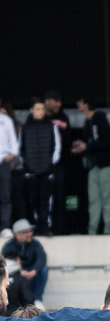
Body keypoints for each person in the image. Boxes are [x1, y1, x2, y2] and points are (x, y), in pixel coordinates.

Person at [72, 97, 110, 236]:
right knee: (93, 199)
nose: (77, 104)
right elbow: (90, 142)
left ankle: (108, 230)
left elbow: (107, 140)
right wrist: (80, 145)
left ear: (86, 104)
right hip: (93, 166)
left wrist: (87, 146)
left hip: (106, 164)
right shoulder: (87, 121)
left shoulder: (100, 118)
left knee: (107, 199)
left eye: (79, 101)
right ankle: (92, 231)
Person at [19, 97, 60, 234]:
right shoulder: (24, 128)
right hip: (31, 171)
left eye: (42, 109)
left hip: (46, 171)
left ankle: (45, 226)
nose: (40, 111)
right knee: (33, 200)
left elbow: (56, 148)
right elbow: (21, 149)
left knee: (45, 200)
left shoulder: (51, 126)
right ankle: (36, 226)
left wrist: (50, 164)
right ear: (31, 110)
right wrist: (27, 165)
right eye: (37, 109)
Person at [43, 91, 72, 237]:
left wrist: (58, 139)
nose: (59, 104)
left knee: (59, 197)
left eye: (60, 101)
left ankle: (59, 230)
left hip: (59, 165)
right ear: (47, 101)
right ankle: (43, 227)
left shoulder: (63, 117)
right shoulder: (39, 116)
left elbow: (67, 140)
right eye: (56, 101)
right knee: (42, 197)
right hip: (41, 165)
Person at [2, 219, 48, 306]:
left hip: (32, 274)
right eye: (26, 232)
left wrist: (34, 270)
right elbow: (6, 263)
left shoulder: (35, 244)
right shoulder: (9, 246)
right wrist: (20, 271)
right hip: (17, 276)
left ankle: (38, 300)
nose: (30, 234)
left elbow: (42, 258)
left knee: (44, 270)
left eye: (30, 231)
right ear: (17, 235)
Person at [0, 101, 17, 236]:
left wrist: (12, 155)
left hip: (3, 162)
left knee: (5, 195)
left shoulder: (6, 120)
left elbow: (13, 141)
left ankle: (5, 227)